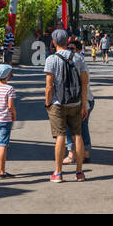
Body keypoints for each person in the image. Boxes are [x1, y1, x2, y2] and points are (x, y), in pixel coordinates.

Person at [43, 27, 88, 182]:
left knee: (60, 136)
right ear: (68, 40)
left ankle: (58, 173)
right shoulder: (78, 58)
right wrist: (83, 104)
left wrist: (48, 103)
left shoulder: (51, 59)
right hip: (75, 102)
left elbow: (49, 86)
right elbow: (84, 82)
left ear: (54, 42)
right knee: (77, 135)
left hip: (58, 102)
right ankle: (80, 172)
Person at [65, 40, 96, 164]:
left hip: (82, 100)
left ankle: (72, 154)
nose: (69, 51)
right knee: (82, 128)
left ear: (78, 50)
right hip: (86, 99)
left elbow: (85, 82)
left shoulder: (78, 61)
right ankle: (85, 154)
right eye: (68, 48)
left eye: (72, 48)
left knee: (71, 129)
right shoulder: (78, 61)